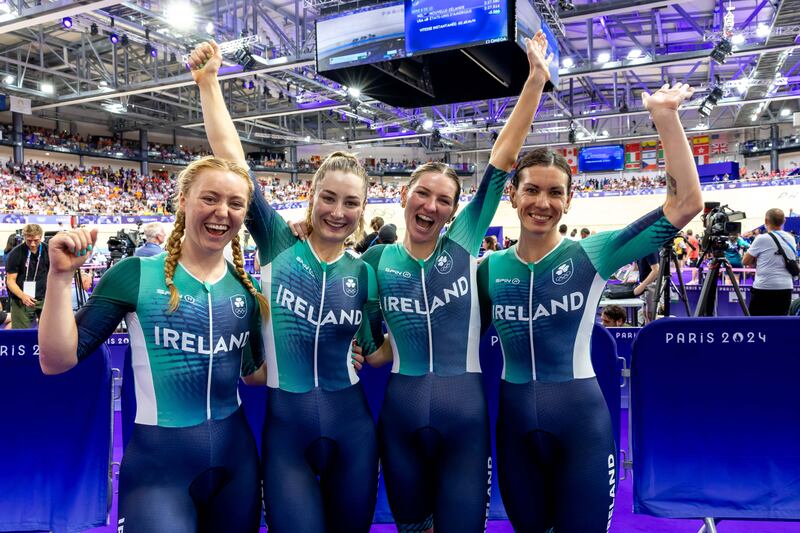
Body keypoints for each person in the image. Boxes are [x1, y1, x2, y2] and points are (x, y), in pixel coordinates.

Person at [478, 82, 702, 532]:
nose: (543, 203)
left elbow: (685, 205)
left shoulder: (593, 253)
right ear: (513, 196)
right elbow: (447, 340)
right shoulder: (489, 268)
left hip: (581, 422)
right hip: (514, 426)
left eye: (555, 193)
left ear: (568, 199)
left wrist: (664, 116)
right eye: (532, 191)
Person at [357, 31, 554, 532]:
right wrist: (368, 352)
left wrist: (532, 81)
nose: (432, 206)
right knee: (411, 527)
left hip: (463, 418)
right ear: (405, 194)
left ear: (454, 210)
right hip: (399, 418)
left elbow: (502, 160)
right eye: (424, 194)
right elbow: (376, 340)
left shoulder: (464, 242)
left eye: (445, 200)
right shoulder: (376, 259)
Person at [190, 41, 385, 533]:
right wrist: (209, 84)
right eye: (329, 198)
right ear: (311, 196)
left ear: (364, 209)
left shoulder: (365, 272)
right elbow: (234, 163)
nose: (338, 212)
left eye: (351, 203)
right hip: (286, 432)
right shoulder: (278, 241)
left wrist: (367, 351)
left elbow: (373, 343)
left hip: (354, 427)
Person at [38, 156, 269, 532]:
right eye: (209, 198)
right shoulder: (136, 274)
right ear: (183, 200)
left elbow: (255, 375)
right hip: (159, 469)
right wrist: (61, 278)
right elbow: (56, 360)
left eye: (235, 203)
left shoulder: (246, 288)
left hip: (236, 466)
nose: (221, 212)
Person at [743, 208, 798, 315]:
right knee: (780, 323)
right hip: (785, 288)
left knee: (757, 324)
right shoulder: (791, 238)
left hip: (764, 288)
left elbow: (745, 261)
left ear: (766, 221)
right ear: (784, 221)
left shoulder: (761, 239)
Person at [5, 224, 49, 328]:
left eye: (36, 240)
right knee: (20, 335)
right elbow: (10, 281)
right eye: (29, 240)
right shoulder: (15, 253)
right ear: (24, 237)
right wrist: (22, 296)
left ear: (41, 237)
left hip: (45, 299)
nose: (33, 244)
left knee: (49, 333)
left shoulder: (49, 251)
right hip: (21, 301)